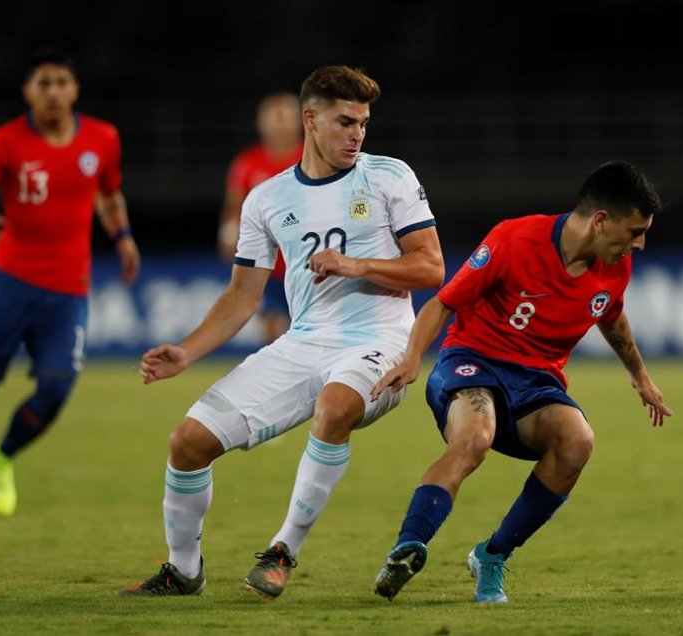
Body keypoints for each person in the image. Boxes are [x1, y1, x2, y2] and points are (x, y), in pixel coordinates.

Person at [122, 66, 444, 598]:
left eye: (363, 123)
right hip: (303, 343)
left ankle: (282, 551)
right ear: (310, 119)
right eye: (345, 122)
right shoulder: (266, 199)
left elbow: (431, 268)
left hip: (381, 343)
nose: (357, 134)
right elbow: (242, 296)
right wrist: (188, 350)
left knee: (336, 406)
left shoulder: (389, 177)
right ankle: (182, 572)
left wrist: (356, 265)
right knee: (187, 443)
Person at [372, 160, 673, 604]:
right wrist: (413, 358)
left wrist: (640, 377)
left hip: (535, 383)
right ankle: (408, 547)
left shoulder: (614, 267)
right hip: (472, 363)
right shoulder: (515, 240)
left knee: (578, 441)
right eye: (635, 232)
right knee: (476, 436)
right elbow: (442, 303)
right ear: (600, 221)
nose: (640, 244)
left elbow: (610, 315)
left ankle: (492, 555)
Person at [0, 49, 140, 518]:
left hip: (69, 289)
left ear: (74, 89)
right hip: (9, 279)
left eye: (61, 82)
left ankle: (1, 459)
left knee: (55, 391)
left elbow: (108, 194)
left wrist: (123, 238)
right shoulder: (4, 143)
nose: (53, 91)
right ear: (28, 91)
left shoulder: (102, 138)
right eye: (44, 83)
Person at [218, 93, 304, 343]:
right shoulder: (247, 163)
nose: (280, 125)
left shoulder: (313, 157)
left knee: (306, 329)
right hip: (265, 263)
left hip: (305, 260)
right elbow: (234, 206)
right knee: (270, 329)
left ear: (299, 121)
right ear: (261, 123)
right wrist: (227, 234)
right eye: (273, 118)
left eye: (285, 118)